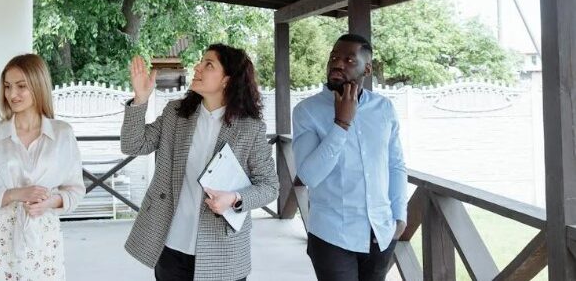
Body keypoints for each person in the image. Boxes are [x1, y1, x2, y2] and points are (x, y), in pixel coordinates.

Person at [121, 44, 279, 281]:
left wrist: (234, 198)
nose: (197, 67)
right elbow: (133, 145)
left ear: (227, 79)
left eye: (208, 64)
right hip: (172, 246)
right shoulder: (176, 113)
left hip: (222, 252)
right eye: (200, 61)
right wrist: (140, 100)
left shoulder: (250, 128)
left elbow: (269, 186)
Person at [292, 34, 408, 281]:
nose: (338, 64)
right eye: (334, 57)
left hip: (381, 232)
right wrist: (341, 123)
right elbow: (309, 176)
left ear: (366, 68)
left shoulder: (384, 108)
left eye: (348, 59)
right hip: (332, 236)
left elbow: (395, 165)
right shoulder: (307, 112)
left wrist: (400, 216)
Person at [0, 54, 85, 281]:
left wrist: (50, 202)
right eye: (8, 86)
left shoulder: (62, 134)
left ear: (38, 86)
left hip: (43, 242)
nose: (12, 94)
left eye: (21, 86)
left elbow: (75, 190)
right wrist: (13, 194)